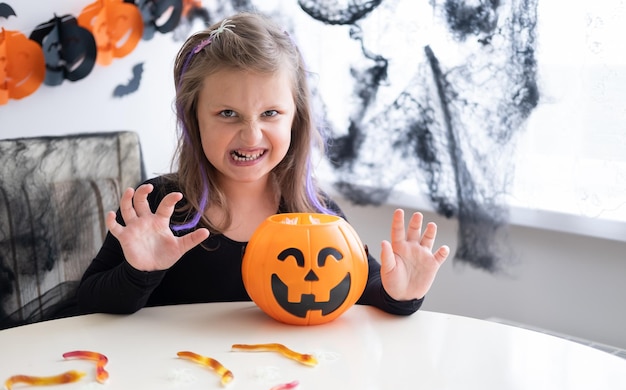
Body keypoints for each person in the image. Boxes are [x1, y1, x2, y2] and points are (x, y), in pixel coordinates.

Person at [77, 11, 450, 316]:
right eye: (228, 113)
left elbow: (360, 290)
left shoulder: (318, 216)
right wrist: (138, 273)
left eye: (270, 113)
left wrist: (400, 294)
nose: (252, 135)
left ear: (295, 119)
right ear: (194, 120)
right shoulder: (157, 209)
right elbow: (87, 306)